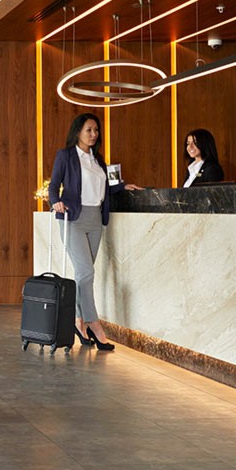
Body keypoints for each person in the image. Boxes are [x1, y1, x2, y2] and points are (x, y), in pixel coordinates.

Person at [48, 113, 141, 350]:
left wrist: (122, 186)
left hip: (96, 219)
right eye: (89, 130)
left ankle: (79, 322)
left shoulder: (98, 160)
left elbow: (103, 187)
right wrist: (55, 201)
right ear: (78, 131)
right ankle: (94, 323)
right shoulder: (66, 156)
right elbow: (53, 185)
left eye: (96, 131)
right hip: (73, 219)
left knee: (83, 276)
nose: (93, 134)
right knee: (86, 271)